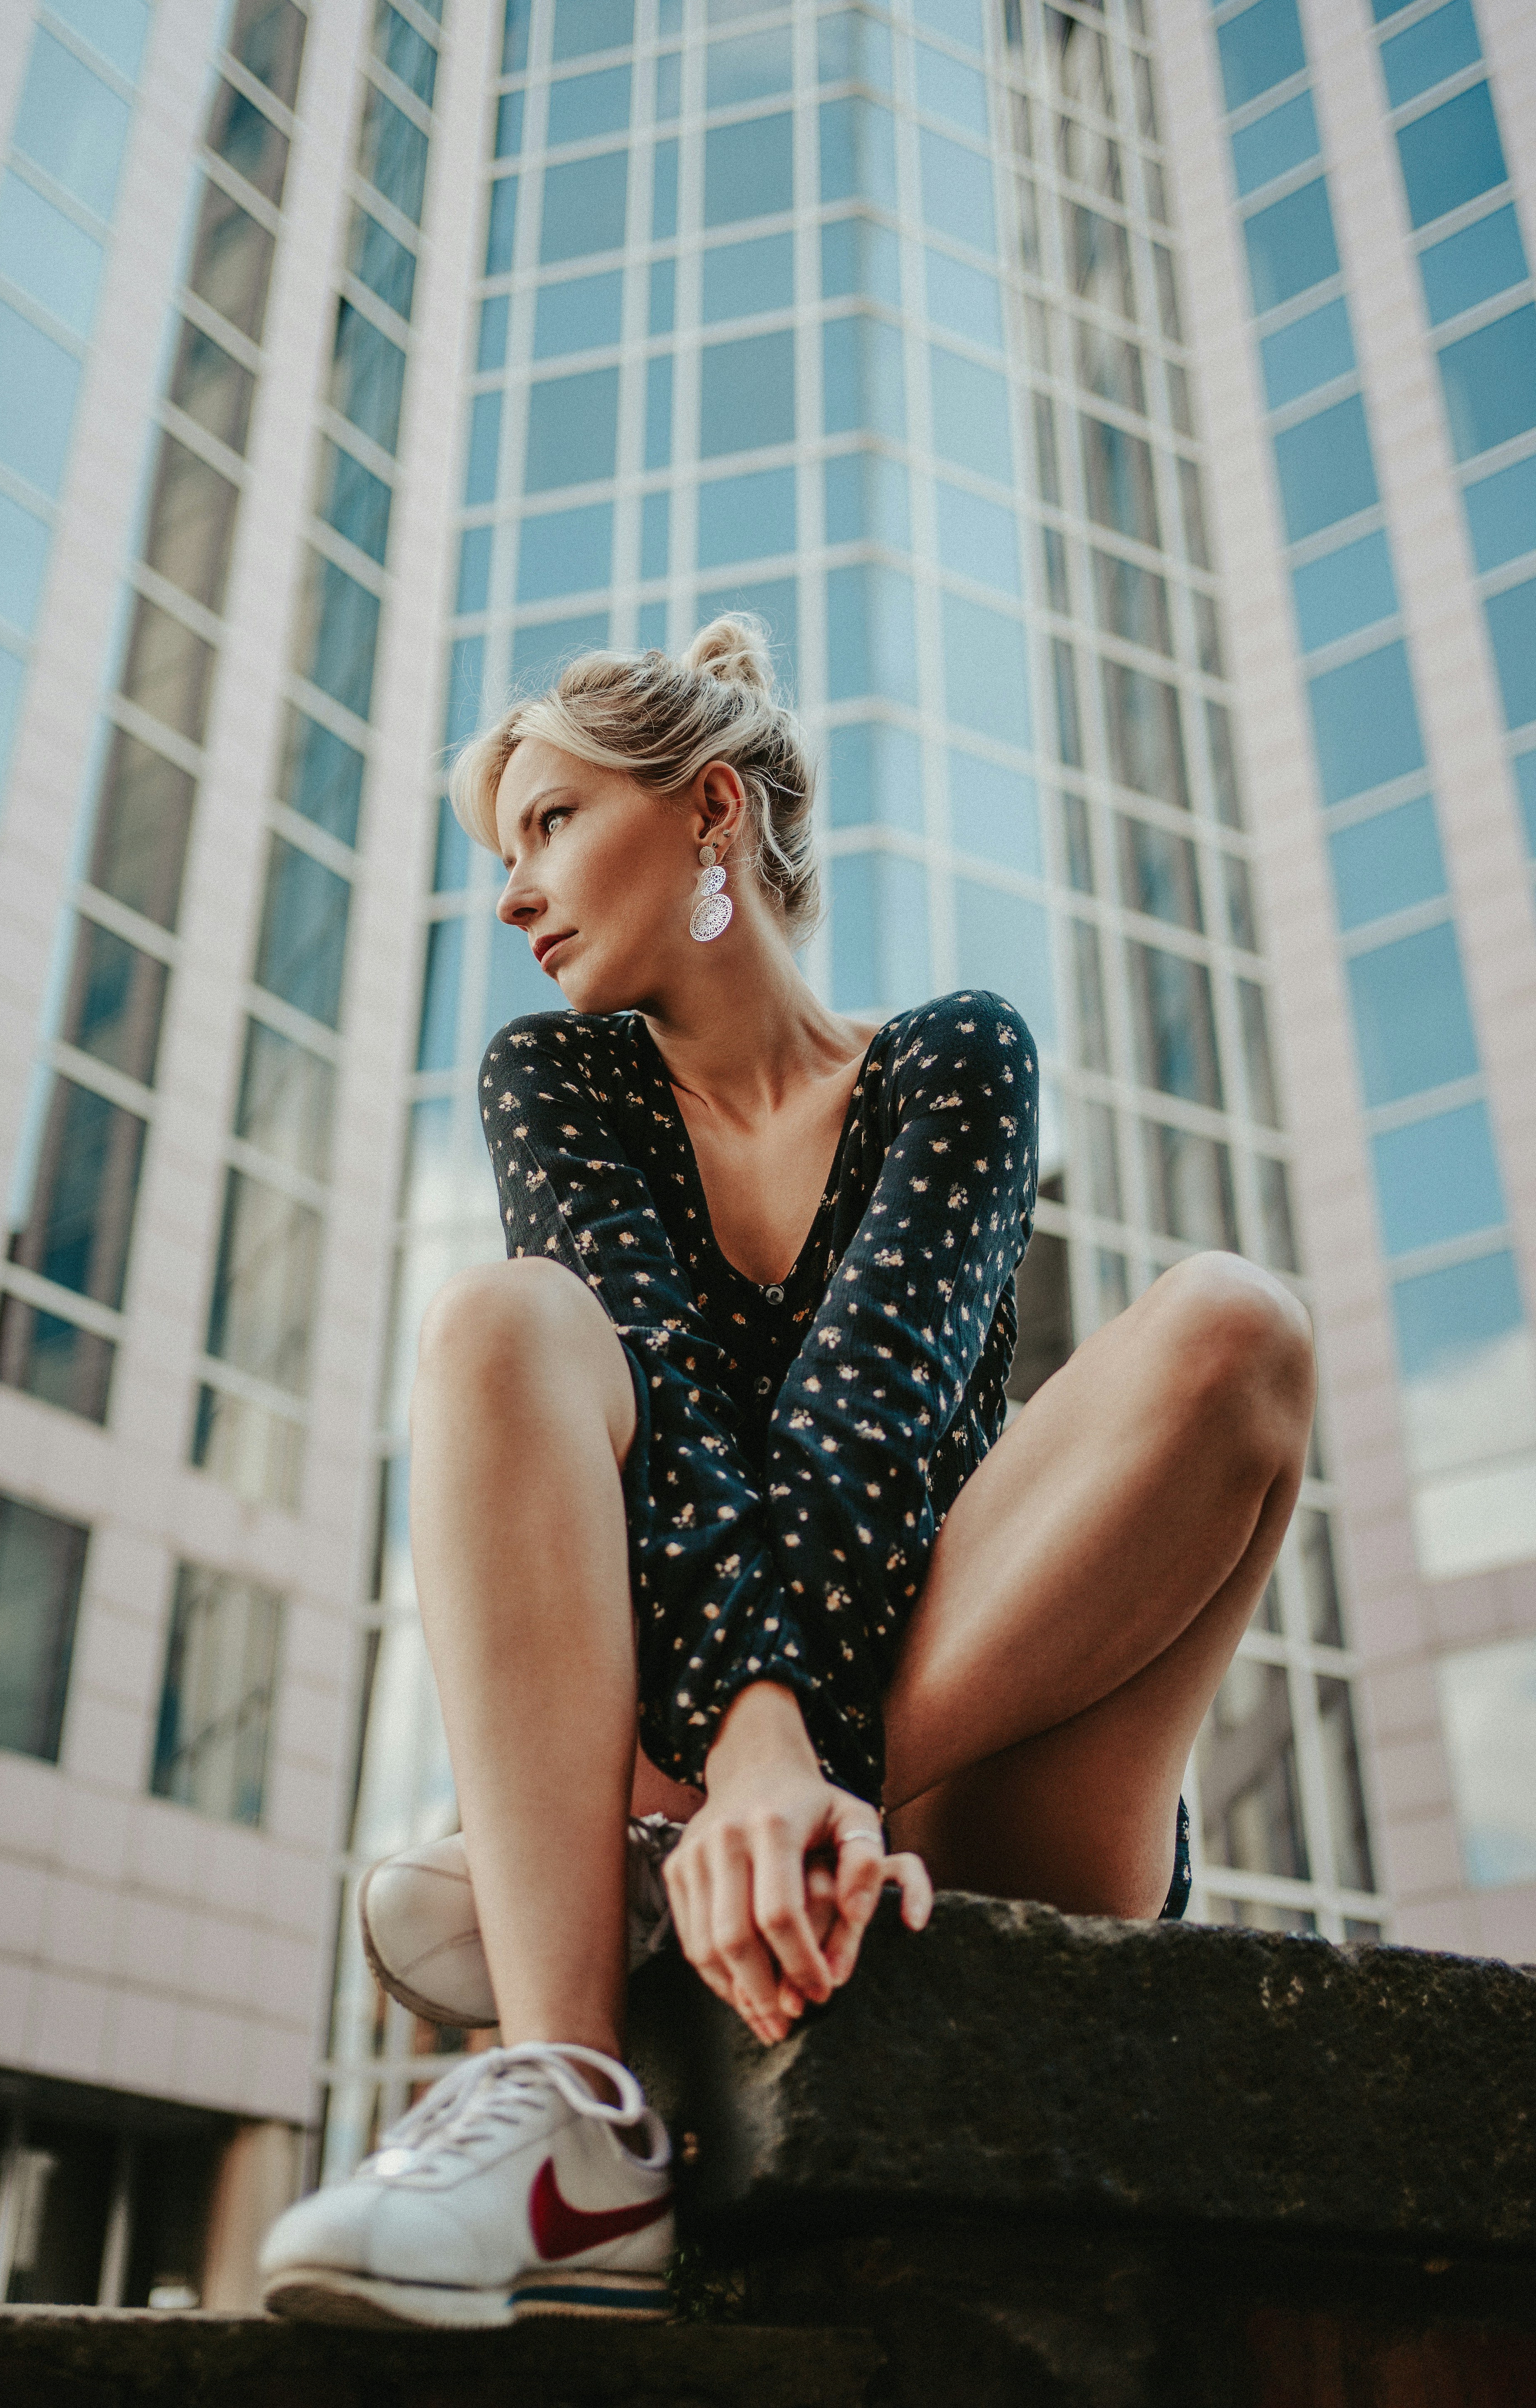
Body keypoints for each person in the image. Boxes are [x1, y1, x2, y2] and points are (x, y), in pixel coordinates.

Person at [261, 617, 1316, 2331]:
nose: (513, 894)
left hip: (986, 1772)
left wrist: (771, 1772)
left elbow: (870, 1437)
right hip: (708, 1733)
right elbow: (658, 1424)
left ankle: (643, 1861)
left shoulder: (945, 1062)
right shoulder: (559, 1078)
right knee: (495, 1329)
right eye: (501, 853)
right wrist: (751, 1759)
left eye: (547, 824)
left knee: (1237, 1332)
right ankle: (574, 2118)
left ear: (707, 814)